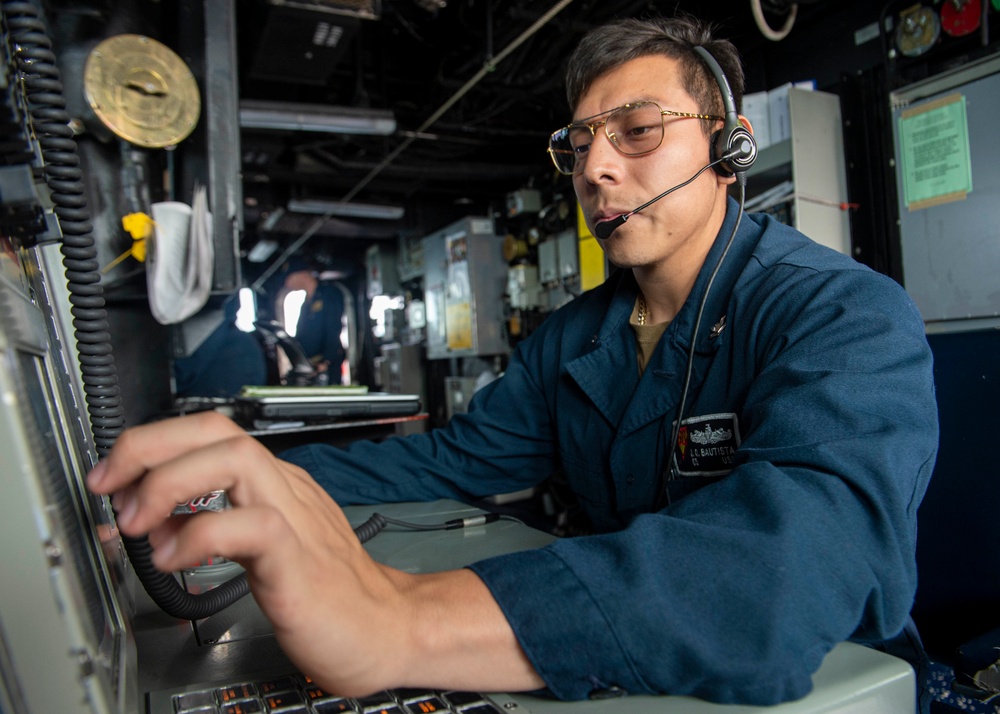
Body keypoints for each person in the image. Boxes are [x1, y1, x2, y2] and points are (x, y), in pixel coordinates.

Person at [86, 13, 939, 707]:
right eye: (579, 146)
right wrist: (253, 478)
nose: (598, 167)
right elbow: (448, 462)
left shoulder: (840, 313)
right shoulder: (578, 338)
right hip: (625, 659)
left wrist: (401, 617)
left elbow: (794, 567)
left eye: (638, 131)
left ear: (731, 149)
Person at [281, 258, 347, 382]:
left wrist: (326, 361)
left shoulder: (329, 294)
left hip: (325, 367)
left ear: (302, 274)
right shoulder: (305, 304)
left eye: (289, 277)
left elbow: (333, 328)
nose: (287, 284)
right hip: (310, 367)